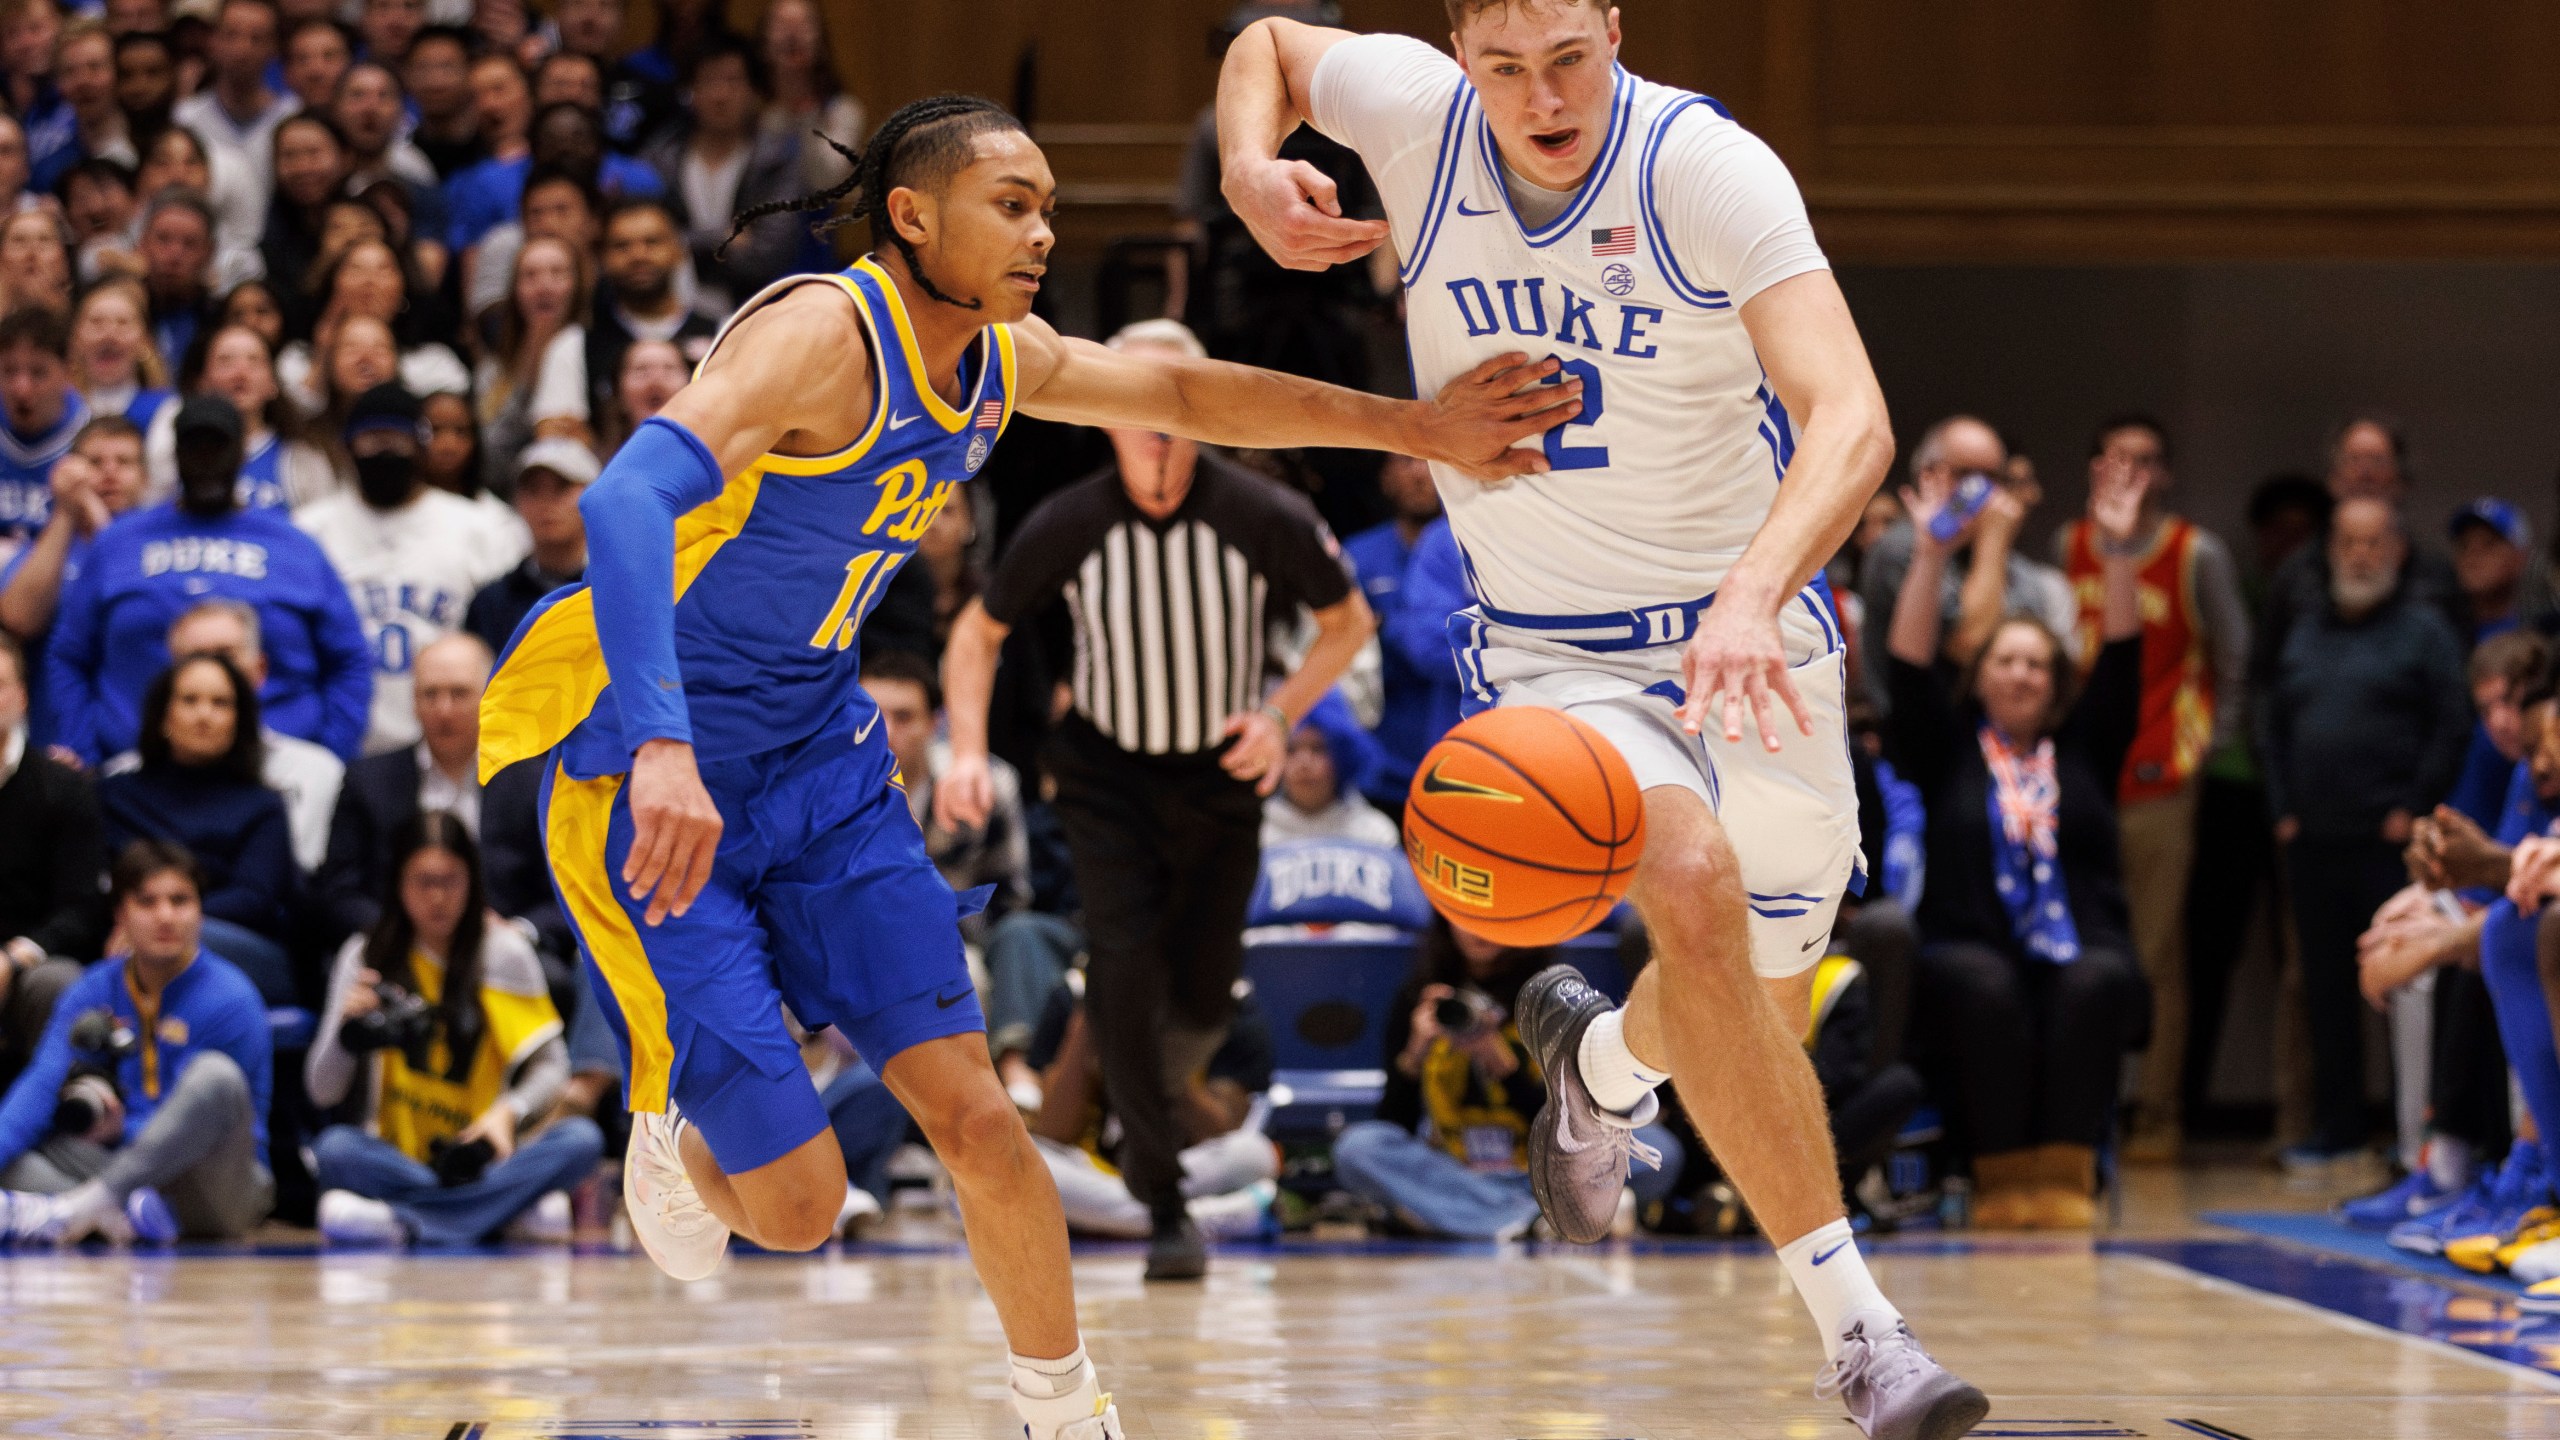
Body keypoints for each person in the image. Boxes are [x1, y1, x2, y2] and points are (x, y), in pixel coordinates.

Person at [472, 91, 1555, 1440]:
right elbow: (626, 497)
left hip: (827, 772)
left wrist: (1419, 428)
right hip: (667, 788)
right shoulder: (822, 335)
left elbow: (1180, 390)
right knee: (799, 1214)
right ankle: (673, 1135)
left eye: (1050, 204)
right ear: (914, 216)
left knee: (983, 1122)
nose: (1044, 230)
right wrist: (661, 748)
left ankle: (1063, 1408)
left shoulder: (999, 357)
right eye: (1014, 204)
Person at [1217, 6, 1984, 1429]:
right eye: (1504, 64)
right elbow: (1265, 40)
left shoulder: (1705, 166)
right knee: (1686, 887)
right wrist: (1250, 167)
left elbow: (1856, 419)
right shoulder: (1411, 113)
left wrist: (1756, 592)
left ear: (1612, 28)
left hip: (1753, 642)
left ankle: (1598, 1061)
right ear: (1458, 45)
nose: (1542, 94)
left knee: (1744, 1015)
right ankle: (1867, 1340)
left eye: (1568, 56)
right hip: (1556, 657)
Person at [943, 317, 1383, 1281]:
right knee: (1124, 965)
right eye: (1136, 399)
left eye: (1177, 397)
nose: (1157, 421)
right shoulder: (1067, 520)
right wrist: (966, 751)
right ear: (1103, 414)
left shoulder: (1258, 513)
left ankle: (1125, 1096)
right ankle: (1164, 1201)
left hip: (1218, 774)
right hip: (1107, 775)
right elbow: (978, 635)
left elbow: (1348, 622)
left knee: (1200, 988)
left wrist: (1277, 716)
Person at [1885, 453, 2150, 1229]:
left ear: (2057, 679)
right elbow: (1906, 667)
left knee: (2094, 981)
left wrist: (2121, 553)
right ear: (1981, 675)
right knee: (1984, 985)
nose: (2023, 674)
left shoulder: (2087, 747)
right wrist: (1931, 553)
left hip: (2081, 942)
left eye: (2038, 662)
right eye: (2007, 659)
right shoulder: (1949, 746)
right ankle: (1999, 1177)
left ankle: (2064, 1175)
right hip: (1971, 941)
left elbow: (2127, 661)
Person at [2049, 416, 2247, 1164]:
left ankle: (2155, 1116)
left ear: (2165, 474)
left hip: (2160, 775)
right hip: (2079, 780)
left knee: (2155, 954)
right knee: (2074, 943)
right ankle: (2081, 1112)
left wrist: (2205, 754)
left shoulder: (2196, 553)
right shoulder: (2066, 548)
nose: (2131, 472)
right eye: (2117, 458)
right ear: (2097, 468)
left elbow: (2235, 659)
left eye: (2147, 461)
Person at [2262, 496, 2473, 1169]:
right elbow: (2270, 719)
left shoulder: (2425, 630)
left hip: (2390, 839)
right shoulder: (2302, 627)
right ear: (2330, 552)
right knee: (2325, 986)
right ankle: (2337, 1125)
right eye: (2349, 542)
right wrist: (2282, 806)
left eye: (2375, 542)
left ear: (2398, 550)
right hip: (2313, 837)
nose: (2361, 555)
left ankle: (2418, 1135)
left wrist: (2414, 805)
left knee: (2408, 984)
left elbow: (2453, 723)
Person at [307, 811, 601, 1246]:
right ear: (397, 884)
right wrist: (346, 1034)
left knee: (582, 1140)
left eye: (450, 880)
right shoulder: (365, 954)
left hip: (487, 1156)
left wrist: (507, 1114)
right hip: (396, 1157)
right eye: (422, 881)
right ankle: (500, 1217)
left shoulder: (504, 951)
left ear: (473, 881)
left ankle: (403, 1222)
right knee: (334, 1150)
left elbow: (553, 1067)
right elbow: (322, 1090)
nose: (437, 897)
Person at [49, 393, 371, 763]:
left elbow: (350, 659)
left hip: (277, 767)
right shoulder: (119, 543)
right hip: (136, 768)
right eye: (194, 447)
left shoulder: (295, 546)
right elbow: (68, 655)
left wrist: (329, 755)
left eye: (217, 447)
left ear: (241, 455)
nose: (206, 460)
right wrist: (86, 752)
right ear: (175, 457)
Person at [1332, 917, 1685, 1239]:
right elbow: (1395, 1124)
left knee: (1661, 1150)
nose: (1475, 928)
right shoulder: (1421, 998)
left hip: (1546, 1170)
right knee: (1358, 1148)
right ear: (1445, 924)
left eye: (1491, 918)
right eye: (1463, 916)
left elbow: (1574, 1122)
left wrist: (1506, 1069)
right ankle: (1535, 1219)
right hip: (1452, 1167)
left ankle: (1467, 1216)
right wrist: (1412, 1056)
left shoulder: (1554, 999)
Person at [0, 840, 274, 1243]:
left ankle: (87, 1207)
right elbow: (39, 1088)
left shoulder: (232, 998)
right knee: (14, 1162)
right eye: (147, 902)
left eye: (180, 901)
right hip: (126, 1174)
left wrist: (119, 1131)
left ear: (200, 912)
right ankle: (122, 1216)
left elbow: (208, 1123)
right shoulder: (92, 989)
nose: (166, 916)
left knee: (215, 1075)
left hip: (214, 1184)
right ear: (121, 914)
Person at [858, 647, 1078, 1110]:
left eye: (903, 717)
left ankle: (997, 1090)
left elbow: (1006, 900)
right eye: (870, 716)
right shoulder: (822, 796)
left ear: (935, 722)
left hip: (961, 947)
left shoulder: (984, 787)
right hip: (853, 956)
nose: (886, 733)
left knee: (985, 962)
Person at [297, 384, 525, 755]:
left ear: (420, 447)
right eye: (372, 439)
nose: (385, 451)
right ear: (348, 447)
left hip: (453, 748)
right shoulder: (310, 529)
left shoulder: (480, 526)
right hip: (343, 745)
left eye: (396, 439)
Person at [95, 653, 300, 1000]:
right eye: (189, 700)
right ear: (163, 715)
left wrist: (158, 921)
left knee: (163, 938)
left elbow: (254, 899)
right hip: (124, 941)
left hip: (239, 947)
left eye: (220, 703)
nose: (204, 714)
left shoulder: (262, 805)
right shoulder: (112, 796)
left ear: (239, 720)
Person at [1021, 978, 1279, 1242]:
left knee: (1254, 1153)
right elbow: (1051, 1132)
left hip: (1183, 1170)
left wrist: (1159, 1055)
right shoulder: (1072, 993)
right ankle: (1193, 1219)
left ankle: (1116, 1219)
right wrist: (1089, 1020)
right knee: (1026, 1160)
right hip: (1090, 1171)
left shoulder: (1228, 1001)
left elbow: (1217, 1131)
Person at [148, 598, 343, 873]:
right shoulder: (127, 779)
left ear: (259, 669)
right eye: (195, 657)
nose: (212, 671)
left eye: (226, 656)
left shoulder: (316, 773)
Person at [0, 633, 107, 1082]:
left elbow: (82, 909)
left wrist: (12, 959)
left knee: (59, 983)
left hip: (27, 966)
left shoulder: (63, 788)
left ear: (21, 697)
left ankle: (69, 1133)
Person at [644, 36, 798, 317]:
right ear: (690, 91)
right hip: (667, 316)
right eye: (709, 81)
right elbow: (647, 245)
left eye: (733, 81)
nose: (721, 95)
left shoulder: (776, 160)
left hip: (756, 312)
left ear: (753, 92)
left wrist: (681, 244)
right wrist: (725, 238)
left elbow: (769, 254)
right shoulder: (658, 158)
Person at [1342, 452, 1455, 804]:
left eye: (1430, 461)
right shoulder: (1357, 556)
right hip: (1380, 756)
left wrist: (1390, 626)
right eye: (1406, 461)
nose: (1420, 473)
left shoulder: (1476, 551)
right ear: (1385, 477)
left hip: (1457, 744)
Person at [149, 322, 336, 511]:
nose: (240, 373)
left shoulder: (303, 459)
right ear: (202, 382)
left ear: (273, 383)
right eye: (225, 361)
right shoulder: (173, 451)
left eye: (254, 361)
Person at [472, 233, 590, 481]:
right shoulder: (493, 369)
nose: (544, 285)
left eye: (557, 273)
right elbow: (488, 458)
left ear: (578, 284)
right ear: (515, 291)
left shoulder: (599, 353)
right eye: (530, 275)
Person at [582, 195, 714, 418]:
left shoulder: (724, 334)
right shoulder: (577, 344)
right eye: (621, 246)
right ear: (602, 258)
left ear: (679, 250)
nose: (638, 255)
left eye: (652, 242)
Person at [171, 0, 299, 221]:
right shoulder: (185, 118)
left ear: (274, 48)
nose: (243, 49)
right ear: (213, 41)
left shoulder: (292, 117)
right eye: (231, 35)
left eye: (256, 38)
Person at [0, 305, 91, 550]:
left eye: (38, 373)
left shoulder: (92, 439)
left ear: (68, 373)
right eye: (9, 372)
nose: (21, 388)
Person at [755, 0, 858, 201]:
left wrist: (806, 114)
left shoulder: (842, 110)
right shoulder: (752, 111)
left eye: (803, 26)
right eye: (782, 25)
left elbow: (826, 183)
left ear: (820, 41)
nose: (792, 36)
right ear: (763, 40)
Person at [1263, 694, 1398, 847]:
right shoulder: (1256, 831)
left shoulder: (1375, 832)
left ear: (1345, 756)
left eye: (1318, 749)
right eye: (1291, 750)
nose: (1304, 763)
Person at [67, 277, 172, 432]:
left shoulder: (166, 411)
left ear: (144, 340)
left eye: (122, 322)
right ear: (76, 337)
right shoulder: (56, 409)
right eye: (96, 322)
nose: (109, 334)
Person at [137, 186, 218, 370]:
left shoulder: (221, 320)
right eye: (163, 239)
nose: (174, 255)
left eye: (189, 243)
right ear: (142, 243)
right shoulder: (116, 314)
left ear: (209, 252)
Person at [2451, 498, 2542, 642]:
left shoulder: (2543, 634)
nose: (2472, 556)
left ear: (2520, 557)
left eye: (2489, 544)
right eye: (2464, 545)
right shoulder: (2435, 634)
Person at [402, 25, 480, 181]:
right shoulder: (400, 158)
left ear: (471, 72)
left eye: (447, 67)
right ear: (406, 76)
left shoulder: (494, 152)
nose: (435, 82)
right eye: (423, 68)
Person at [56, 19, 134, 172]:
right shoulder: (53, 168)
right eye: (70, 71)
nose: (83, 82)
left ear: (118, 72)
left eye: (95, 67)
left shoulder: (149, 152)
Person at [279, 15, 349, 117]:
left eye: (329, 56)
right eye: (303, 59)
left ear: (349, 64)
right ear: (287, 73)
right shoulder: (270, 127)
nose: (316, 70)